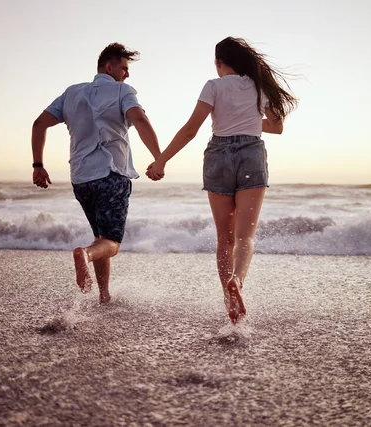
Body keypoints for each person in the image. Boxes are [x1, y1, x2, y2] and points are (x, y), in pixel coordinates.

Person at [146, 37, 297, 323]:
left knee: (224, 238)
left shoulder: (213, 86)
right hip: (251, 154)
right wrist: (250, 121)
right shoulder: (259, 86)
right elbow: (276, 127)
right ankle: (237, 281)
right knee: (245, 237)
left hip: (217, 156)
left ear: (219, 63)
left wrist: (162, 160)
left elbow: (191, 129)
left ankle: (228, 298)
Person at [32, 43, 161, 304]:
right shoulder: (122, 91)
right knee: (111, 242)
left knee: (101, 238)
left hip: (80, 178)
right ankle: (85, 255)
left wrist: (38, 165)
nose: (127, 74)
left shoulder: (71, 93)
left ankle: (104, 295)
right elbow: (140, 120)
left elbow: (39, 124)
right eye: (124, 68)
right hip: (112, 175)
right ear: (109, 66)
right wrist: (160, 158)